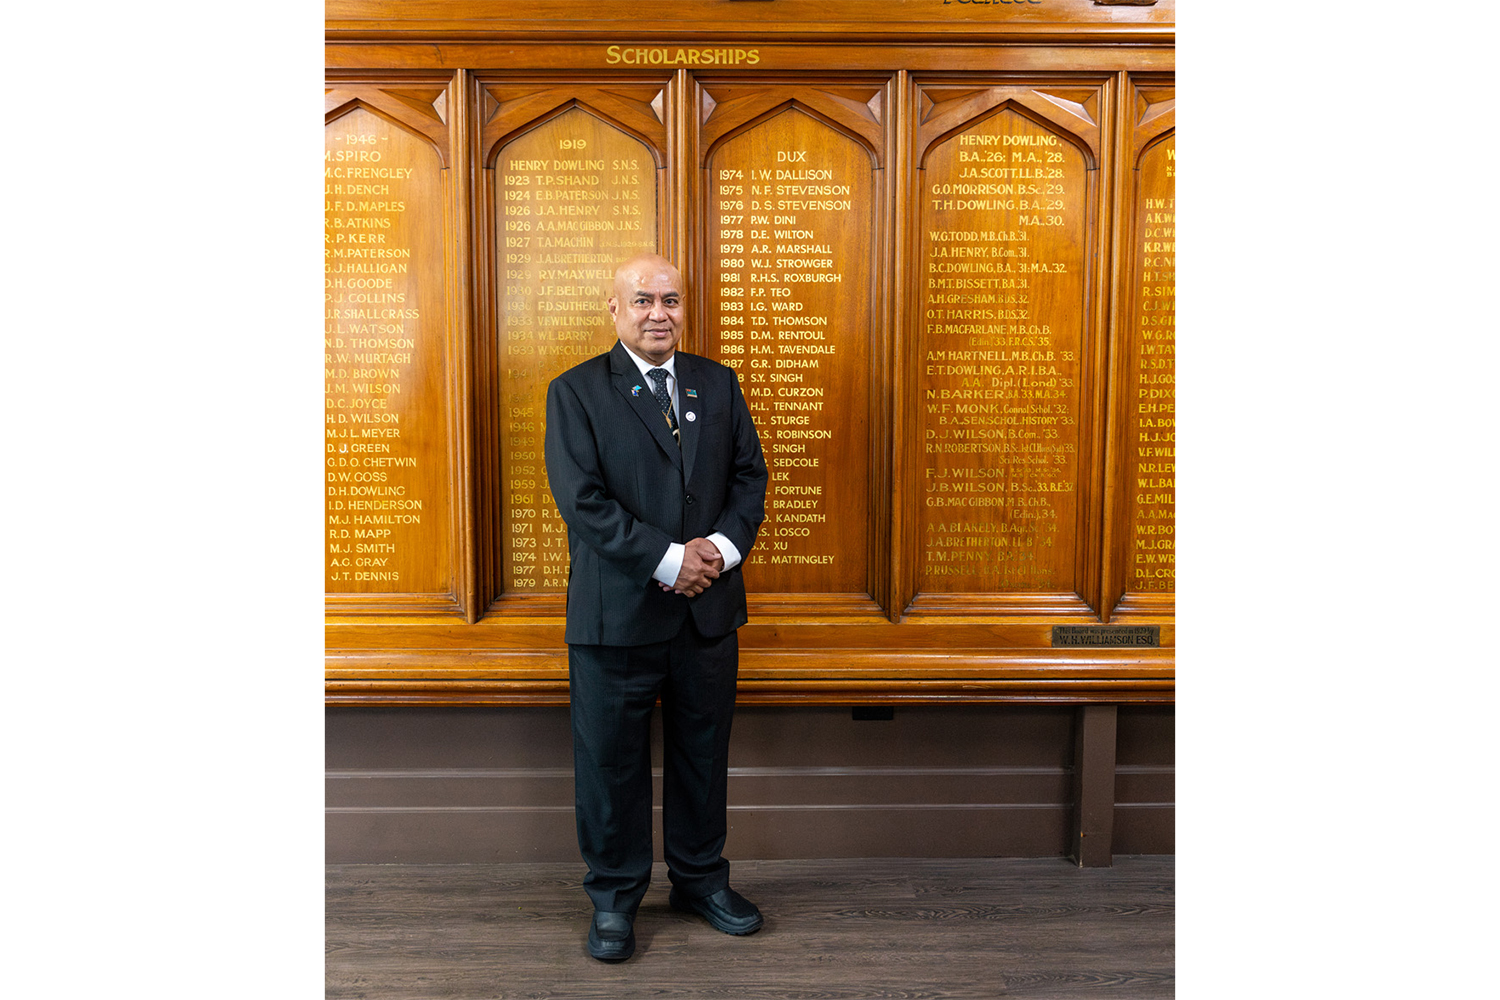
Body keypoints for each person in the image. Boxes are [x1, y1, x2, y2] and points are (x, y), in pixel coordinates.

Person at [543, 252, 769, 962]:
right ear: (615, 310)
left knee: (704, 758)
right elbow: (584, 505)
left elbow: (748, 479)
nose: (658, 313)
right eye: (643, 300)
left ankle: (701, 882)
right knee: (610, 766)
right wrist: (672, 561)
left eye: (670, 299)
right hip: (616, 621)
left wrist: (719, 555)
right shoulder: (575, 392)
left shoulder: (718, 385)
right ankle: (614, 899)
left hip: (707, 618)